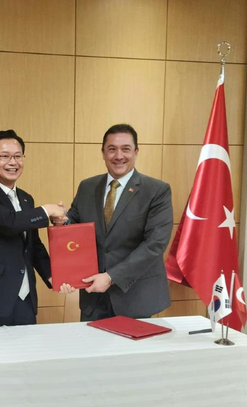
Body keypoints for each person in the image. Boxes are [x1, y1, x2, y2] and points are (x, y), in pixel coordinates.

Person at [60, 124, 173, 321]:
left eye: (126, 149)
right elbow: (74, 227)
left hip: (136, 297)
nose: (118, 155)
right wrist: (60, 222)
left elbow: (155, 244)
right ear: (103, 153)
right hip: (93, 296)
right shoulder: (87, 187)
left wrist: (111, 277)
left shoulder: (156, 191)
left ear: (136, 152)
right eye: (112, 149)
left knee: (133, 352)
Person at [0, 129, 67, 327]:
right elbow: (8, 223)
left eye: (18, 156)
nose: (13, 162)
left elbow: (33, 246)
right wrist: (46, 211)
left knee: (26, 356)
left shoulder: (26, 199)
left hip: (25, 301)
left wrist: (53, 276)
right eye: (4, 156)